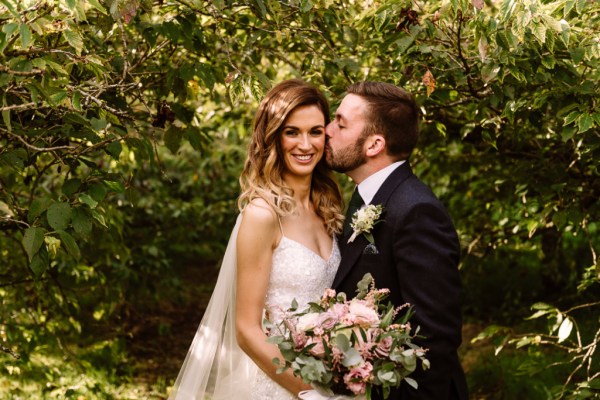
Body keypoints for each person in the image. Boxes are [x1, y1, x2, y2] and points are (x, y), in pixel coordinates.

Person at [168, 79, 344, 400]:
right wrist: (308, 393)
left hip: (331, 378)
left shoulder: (328, 206)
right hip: (281, 385)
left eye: (315, 132)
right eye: (292, 132)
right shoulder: (263, 215)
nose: (305, 145)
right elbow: (247, 331)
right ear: (273, 138)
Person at [325, 82, 468, 400]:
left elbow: (435, 337)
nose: (327, 130)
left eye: (340, 122)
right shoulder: (363, 198)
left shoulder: (417, 210)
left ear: (373, 144)